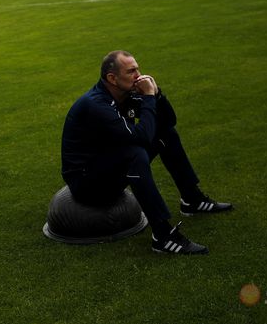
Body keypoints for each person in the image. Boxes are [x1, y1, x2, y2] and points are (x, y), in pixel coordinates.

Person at [60, 50, 232, 255]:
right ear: (112, 78)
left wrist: (157, 95)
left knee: (165, 134)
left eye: (137, 69)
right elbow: (140, 138)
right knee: (135, 154)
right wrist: (149, 98)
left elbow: (168, 122)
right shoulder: (96, 105)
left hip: (107, 166)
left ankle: (192, 200)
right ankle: (162, 236)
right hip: (86, 182)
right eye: (131, 71)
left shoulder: (126, 95)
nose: (139, 75)